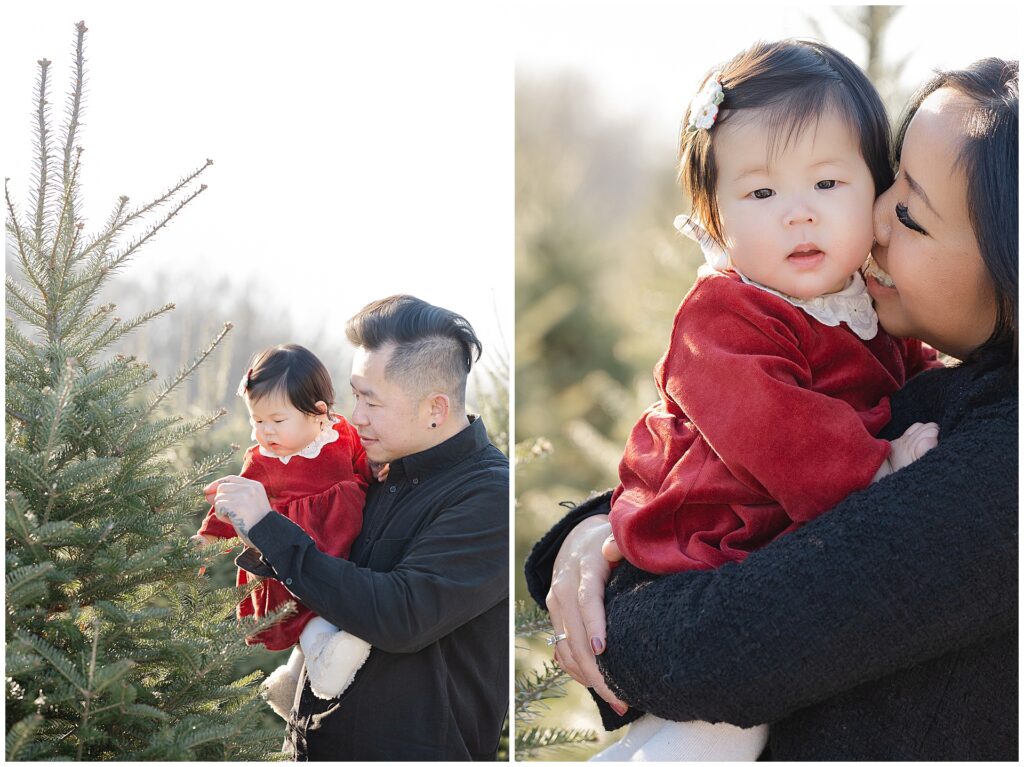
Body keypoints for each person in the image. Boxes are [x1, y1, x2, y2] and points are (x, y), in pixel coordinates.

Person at [526, 56, 1018, 760]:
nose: (875, 219)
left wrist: (612, 587)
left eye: (909, 212)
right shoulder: (752, 313)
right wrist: (599, 527)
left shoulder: (1003, 464)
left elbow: (723, 648)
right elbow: (759, 431)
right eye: (890, 179)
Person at [595, 39, 944, 761]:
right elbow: (770, 424)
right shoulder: (726, 312)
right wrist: (877, 466)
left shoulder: (867, 303)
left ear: (877, 191)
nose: (798, 215)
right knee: (715, 735)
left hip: (783, 551)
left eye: (828, 183)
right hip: (713, 542)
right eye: (761, 194)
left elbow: (913, 375)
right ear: (714, 215)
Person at [206, 295, 509, 761]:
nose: (356, 414)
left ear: (436, 408)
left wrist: (271, 529)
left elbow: (402, 614)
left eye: (371, 400)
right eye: (355, 394)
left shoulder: (488, 496)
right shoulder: (373, 473)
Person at [193, 345, 376, 716]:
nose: (266, 431)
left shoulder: (341, 435)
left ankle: (291, 681)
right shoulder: (262, 460)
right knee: (309, 614)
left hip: (341, 542)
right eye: (257, 420)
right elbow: (233, 502)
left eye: (277, 420)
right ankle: (319, 672)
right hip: (292, 553)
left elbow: (365, 465)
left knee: (335, 602)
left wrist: (381, 473)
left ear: (319, 413)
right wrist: (208, 538)